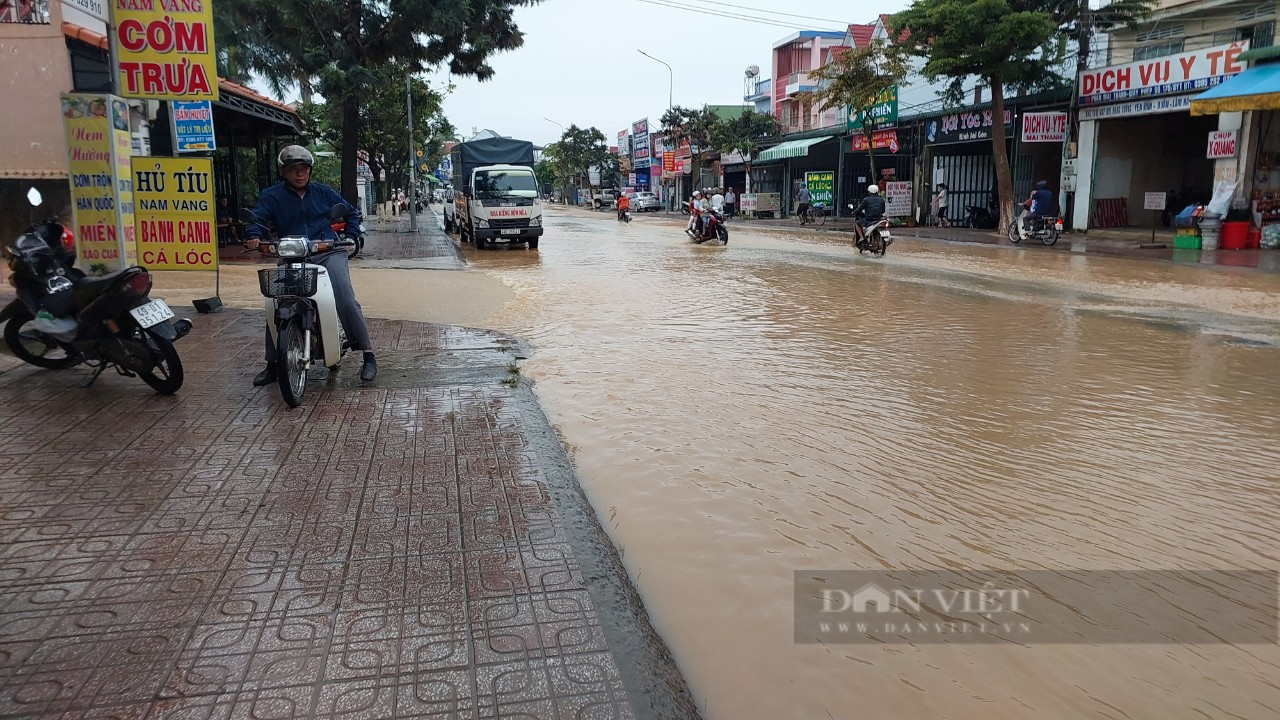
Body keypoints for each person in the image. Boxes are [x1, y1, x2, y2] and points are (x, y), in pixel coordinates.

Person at [244, 145, 378, 384]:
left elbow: (351, 213)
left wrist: (352, 233)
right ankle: (273, 362)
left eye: (304, 168)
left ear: (310, 171)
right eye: (294, 169)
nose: (299, 173)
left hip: (328, 253)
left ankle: (367, 354)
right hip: (291, 256)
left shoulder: (323, 193)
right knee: (275, 303)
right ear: (283, 171)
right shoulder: (271, 196)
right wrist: (254, 235)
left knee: (345, 299)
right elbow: (258, 218)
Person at [851, 184, 887, 250]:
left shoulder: (866, 200)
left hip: (869, 220)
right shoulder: (881, 200)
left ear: (869, 191)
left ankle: (862, 238)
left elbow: (859, 209)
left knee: (857, 223)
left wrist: (853, 212)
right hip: (878, 220)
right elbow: (883, 211)